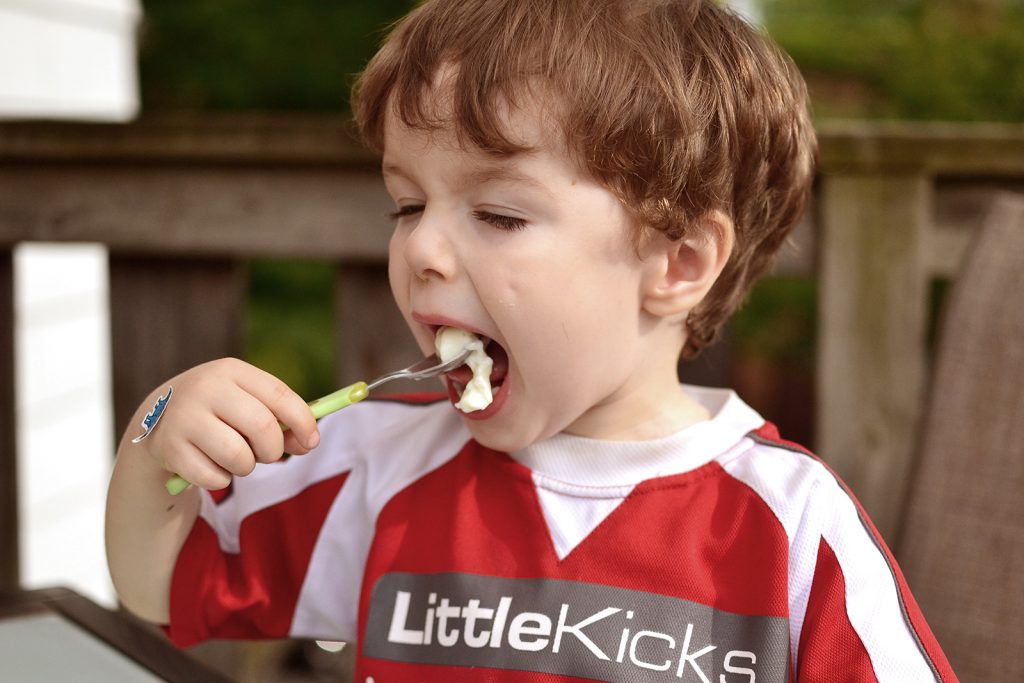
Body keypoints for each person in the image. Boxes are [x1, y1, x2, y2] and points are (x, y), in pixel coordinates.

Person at [105, 1, 957, 681]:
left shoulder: (794, 532)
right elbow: (160, 585)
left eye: (499, 214)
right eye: (407, 205)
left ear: (678, 261)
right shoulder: (375, 469)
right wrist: (154, 441)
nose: (422, 251)